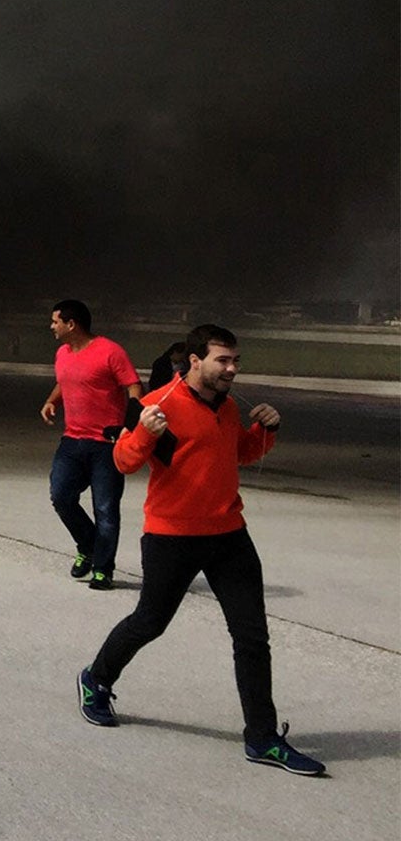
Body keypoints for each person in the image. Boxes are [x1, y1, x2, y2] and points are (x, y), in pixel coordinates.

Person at [77, 325, 324, 777]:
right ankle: (96, 679)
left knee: (252, 637)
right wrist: (146, 433)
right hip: (172, 536)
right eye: (222, 361)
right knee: (150, 622)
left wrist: (266, 430)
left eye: (235, 361)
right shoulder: (159, 406)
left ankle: (263, 738)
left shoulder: (227, 409)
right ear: (195, 362)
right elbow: (124, 462)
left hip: (229, 535)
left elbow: (241, 454)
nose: (231, 369)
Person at [39, 300, 141, 589]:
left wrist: (130, 424)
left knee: (106, 509)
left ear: (71, 324)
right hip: (72, 440)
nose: (52, 326)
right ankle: (88, 544)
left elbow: (133, 385)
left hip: (106, 445)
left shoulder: (110, 351)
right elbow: (66, 380)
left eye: (55, 321)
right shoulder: (63, 353)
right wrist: (51, 401)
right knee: (61, 496)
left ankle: (102, 569)